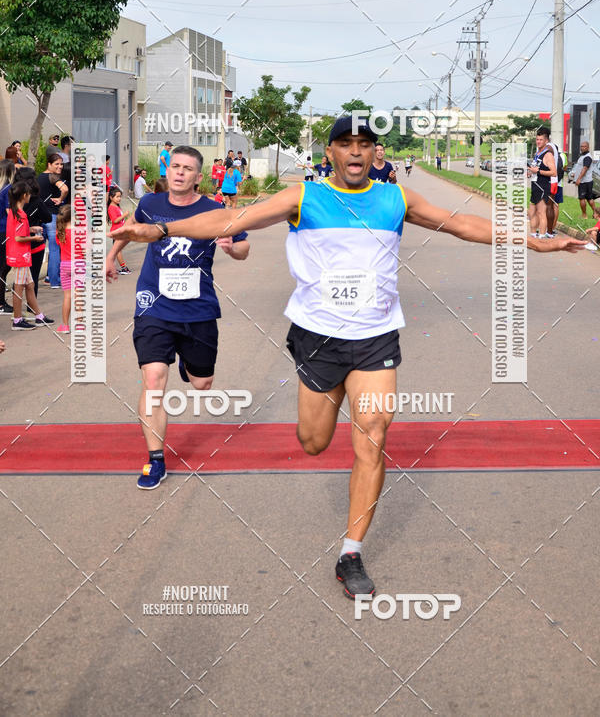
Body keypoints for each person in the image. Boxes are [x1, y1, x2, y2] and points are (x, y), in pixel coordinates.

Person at [112, 115, 587, 598]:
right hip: (317, 338)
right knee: (314, 441)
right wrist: (161, 230)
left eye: (365, 144)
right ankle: (328, 414)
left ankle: (351, 552)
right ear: (331, 152)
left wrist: (534, 239)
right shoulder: (305, 197)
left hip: (375, 338)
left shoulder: (394, 199)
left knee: (373, 435)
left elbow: (461, 223)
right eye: (346, 144)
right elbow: (229, 220)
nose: (356, 152)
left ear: (375, 153)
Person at [105, 145, 250, 490]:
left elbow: (244, 247)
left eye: (188, 168)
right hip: (154, 305)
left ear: (199, 177)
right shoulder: (150, 204)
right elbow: (132, 227)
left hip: (198, 309)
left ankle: (188, 364)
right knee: (153, 379)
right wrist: (112, 255)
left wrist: (233, 248)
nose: (180, 172)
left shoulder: (214, 210)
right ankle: (155, 460)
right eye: (175, 167)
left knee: (202, 383)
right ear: (168, 172)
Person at [6, 181, 54, 330]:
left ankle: (38, 315)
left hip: (20, 254)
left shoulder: (15, 212)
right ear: (24, 196)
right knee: (19, 288)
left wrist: (31, 229)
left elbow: (17, 233)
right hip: (21, 255)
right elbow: (19, 238)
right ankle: (18, 320)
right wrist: (34, 237)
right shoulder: (20, 214)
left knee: (30, 285)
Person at [20, 168, 52, 297]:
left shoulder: (14, 201)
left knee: (19, 281)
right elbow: (47, 217)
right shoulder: (36, 201)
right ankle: (31, 309)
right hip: (34, 243)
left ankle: (18, 313)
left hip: (18, 244)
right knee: (32, 277)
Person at [37, 153, 68, 288]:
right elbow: (65, 189)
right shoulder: (52, 176)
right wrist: (61, 199)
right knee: (55, 249)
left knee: (39, 250)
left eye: (61, 164)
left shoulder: (38, 177)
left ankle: (32, 280)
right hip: (52, 217)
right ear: (49, 164)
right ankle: (54, 281)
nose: (60, 166)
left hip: (39, 218)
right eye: (57, 164)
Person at [527, 128, 557, 238]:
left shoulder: (548, 154)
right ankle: (533, 234)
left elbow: (554, 172)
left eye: (541, 140)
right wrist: (530, 172)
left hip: (543, 187)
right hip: (535, 185)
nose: (538, 142)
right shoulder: (537, 153)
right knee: (531, 212)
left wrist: (538, 171)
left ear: (546, 141)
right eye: (537, 139)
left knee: (541, 213)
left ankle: (542, 236)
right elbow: (535, 169)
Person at [55, 204, 76, 334]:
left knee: (67, 296)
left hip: (65, 265)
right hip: (78, 264)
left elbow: (59, 244)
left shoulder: (60, 232)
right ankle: (79, 325)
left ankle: (65, 325)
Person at [0, 159, 16, 315]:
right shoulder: (8, 189)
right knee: (4, 267)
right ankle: (1, 303)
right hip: (5, 230)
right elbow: (9, 212)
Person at [572, 141, 598, 219]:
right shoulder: (583, 156)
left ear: (588, 147)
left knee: (582, 198)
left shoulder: (587, 157)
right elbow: (580, 168)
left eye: (584, 146)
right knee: (590, 198)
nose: (582, 148)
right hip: (587, 181)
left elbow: (585, 168)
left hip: (584, 182)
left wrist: (579, 179)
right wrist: (575, 174)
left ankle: (584, 215)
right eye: (581, 146)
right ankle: (596, 214)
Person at [107, 186, 130, 274]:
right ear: (111, 197)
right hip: (116, 232)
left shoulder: (116, 206)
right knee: (118, 250)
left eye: (120, 196)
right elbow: (115, 220)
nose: (119, 198)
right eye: (117, 196)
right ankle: (124, 268)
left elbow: (120, 220)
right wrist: (124, 215)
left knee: (116, 250)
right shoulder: (111, 207)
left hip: (120, 231)